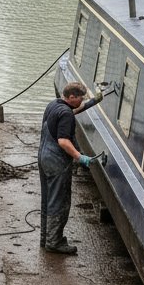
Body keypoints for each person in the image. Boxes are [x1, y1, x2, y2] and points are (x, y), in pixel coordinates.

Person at [37, 81, 100, 255]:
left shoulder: (54, 105)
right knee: (59, 202)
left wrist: (93, 102)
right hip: (57, 162)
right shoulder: (66, 114)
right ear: (72, 97)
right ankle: (54, 242)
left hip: (44, 158)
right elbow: (64, 141)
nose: (82, 101)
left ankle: (46, 238)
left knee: (47, 199)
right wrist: (81, 158)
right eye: (81, 98)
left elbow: (73, 111)